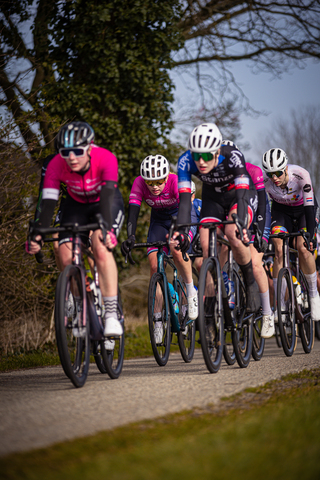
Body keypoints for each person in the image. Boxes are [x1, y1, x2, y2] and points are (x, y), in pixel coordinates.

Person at [26, 121, 124, 338]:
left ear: (90, 147)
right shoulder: (55, 165)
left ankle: (110, 315)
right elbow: (48, 202)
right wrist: (38, 233)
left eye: (78, 152)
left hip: (105, 203)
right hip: (75, 204)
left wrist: (107, 230)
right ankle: (81, 307)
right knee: (65, 254)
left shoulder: (106, 158)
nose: (71, 157)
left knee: (100, 247)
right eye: (65, 152)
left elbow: (108, 196)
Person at [176, 123, 260, 314]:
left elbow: (242, 192)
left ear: (216, 152)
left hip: (237, 196)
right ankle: (215, 295)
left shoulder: (232, 156)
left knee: (233, 234)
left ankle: (250, 282)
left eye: (206, 156)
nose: (201, 162)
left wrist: (240, 220)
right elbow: (184, 203)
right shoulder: (185, 161)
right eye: (197, 156)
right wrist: (181, 230)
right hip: (212, 198)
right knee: (205, 245)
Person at [121, 155, 198, 342]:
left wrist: (184, 231)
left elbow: (186, 208)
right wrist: (130, 237)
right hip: (159, 222)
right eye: (150, 182)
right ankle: (157, 321)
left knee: (177, 250)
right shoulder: (138, 184)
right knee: (154, 267)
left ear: (167, 176)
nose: (155, 186)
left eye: (159, 181)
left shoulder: (176, 181)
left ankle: (190, 292)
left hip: (181, 217)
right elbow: (133, 211)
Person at [262, 147, 320, 321]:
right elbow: (264, 209)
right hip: (281, 212)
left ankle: (313, 295)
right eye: (270, 173)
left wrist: (311, 233)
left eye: (278, 173)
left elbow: (310, 206)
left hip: (304, 210)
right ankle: (280, 303)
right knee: (278, 249)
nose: (274, 178)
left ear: (286, 168)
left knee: (303, 247)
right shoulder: (265, 181)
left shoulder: (301, 175)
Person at [222, 141, 274, 337]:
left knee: (255, 264)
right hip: (235, 216)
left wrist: (261, 232)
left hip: (257, 216)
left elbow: (262, 203)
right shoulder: (219, 176)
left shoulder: (252, 171)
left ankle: (268, 313)